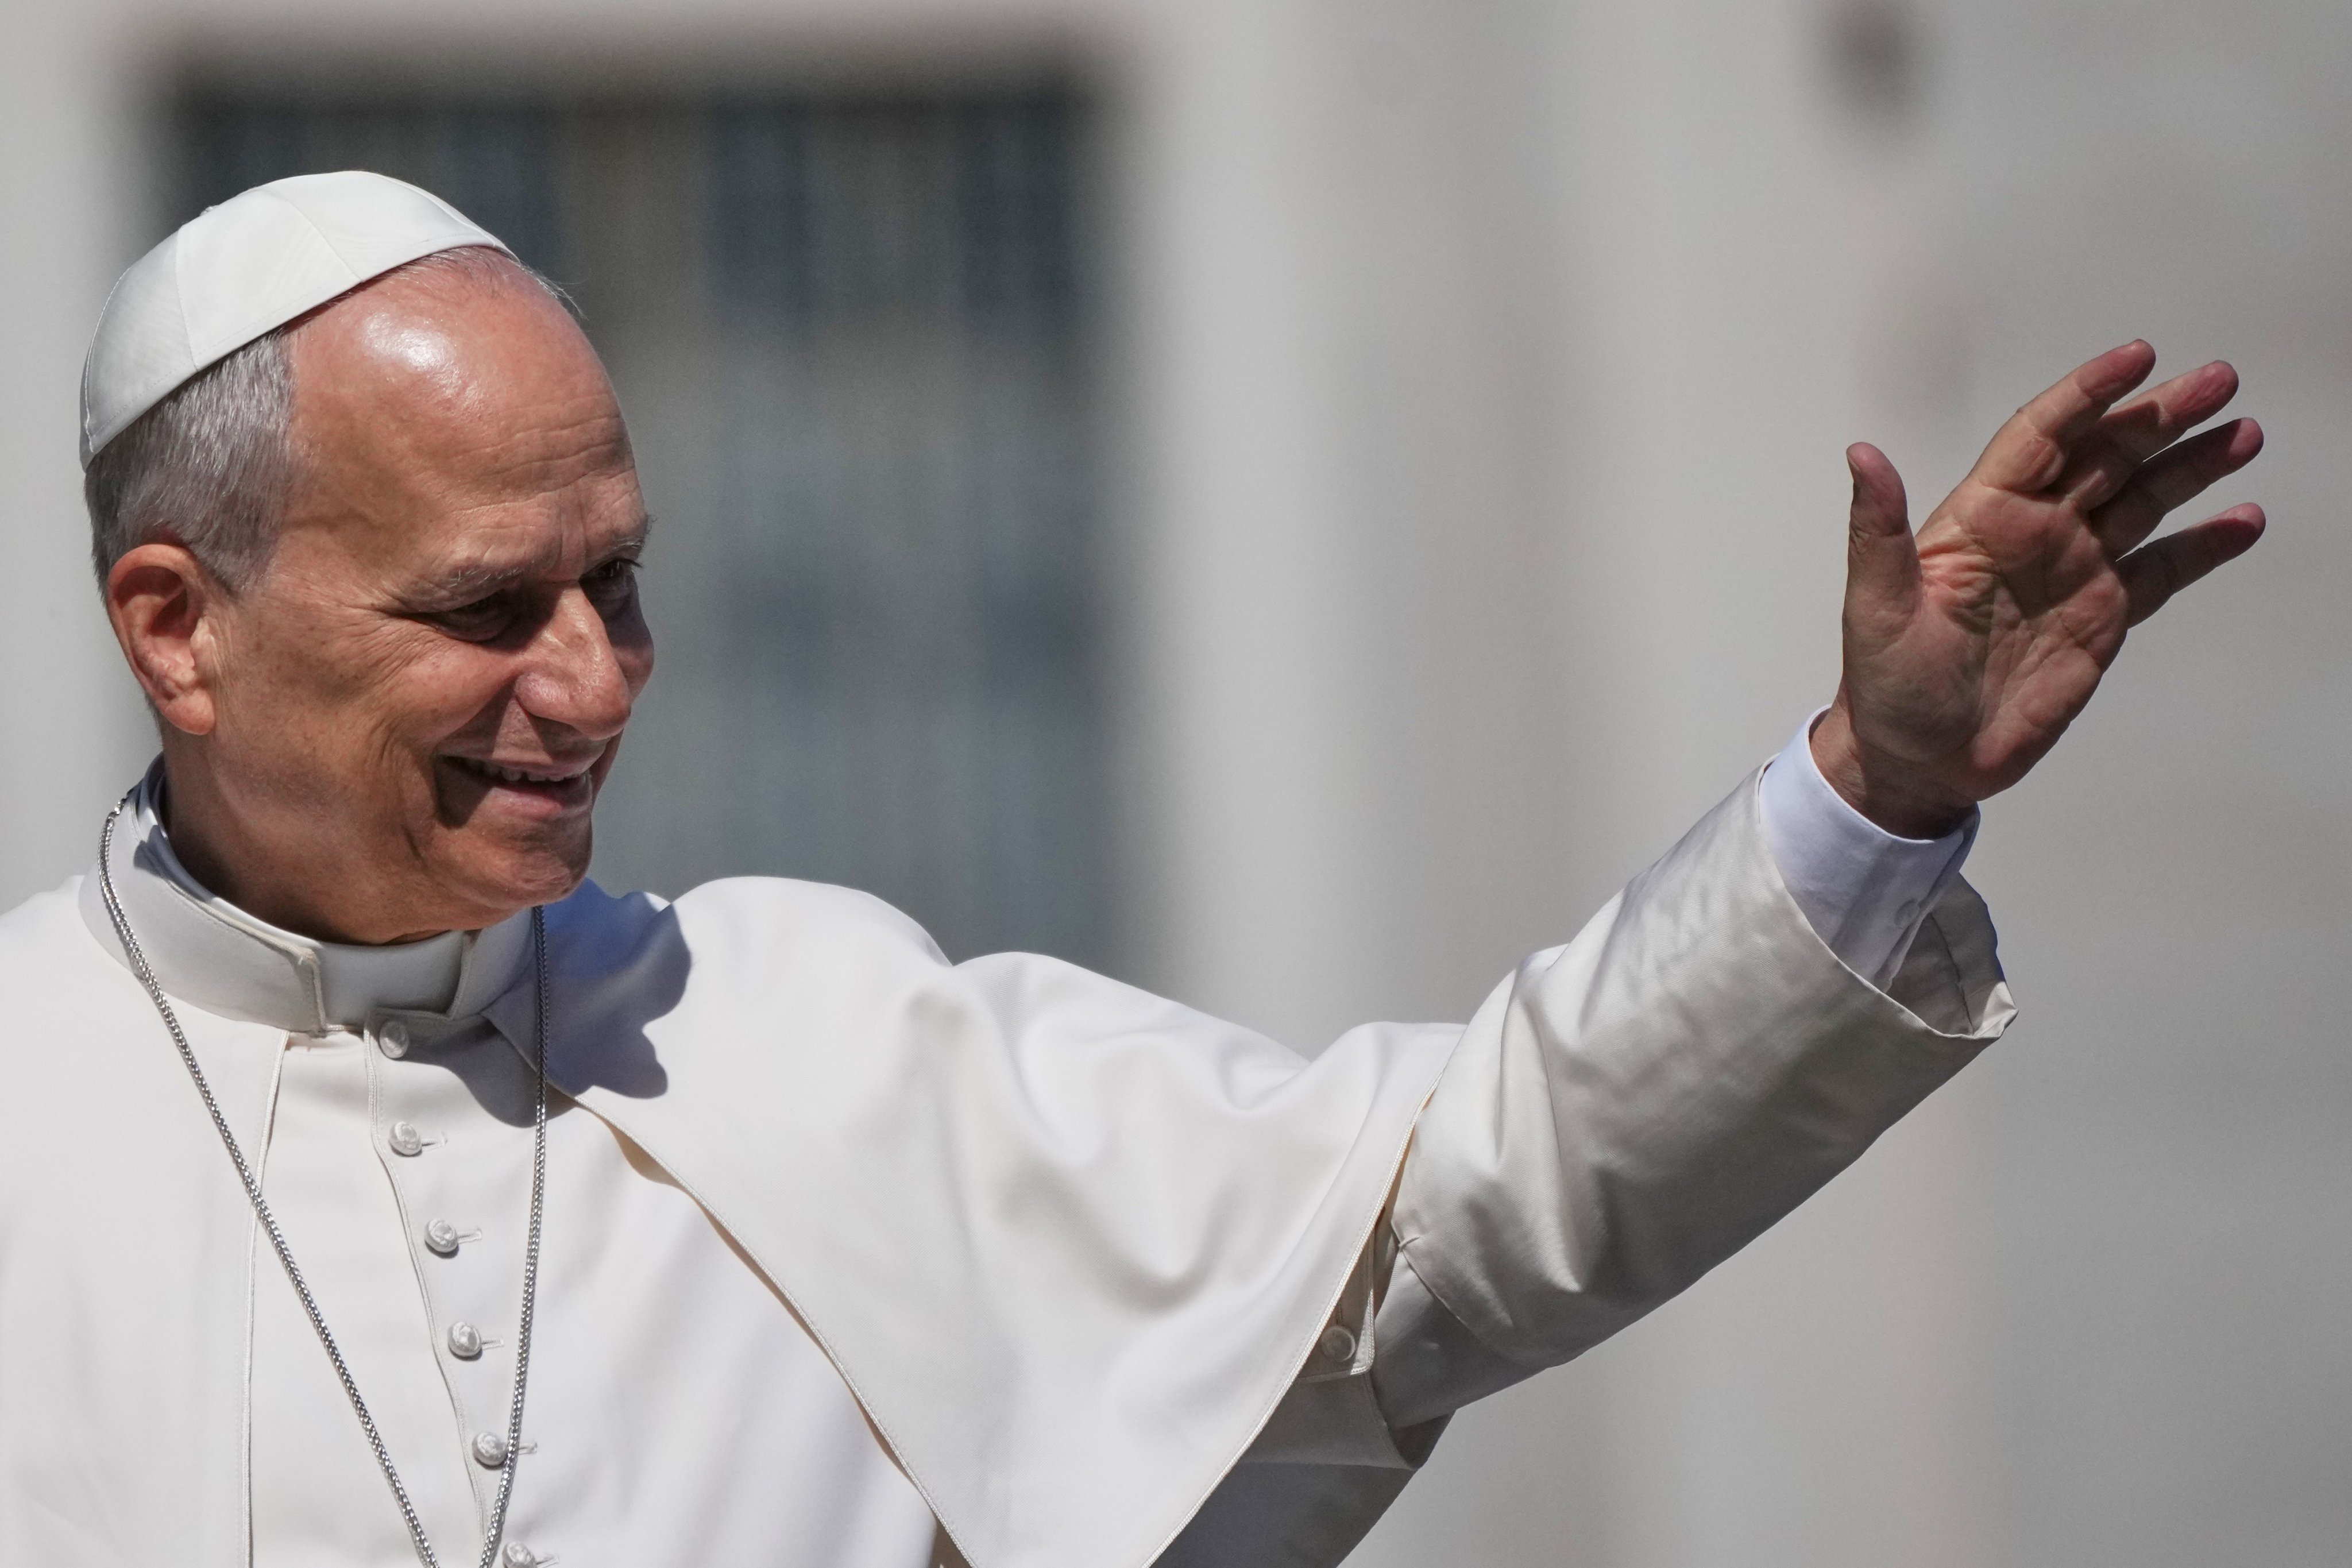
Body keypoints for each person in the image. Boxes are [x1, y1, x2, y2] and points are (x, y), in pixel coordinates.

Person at [0, 172, 2265, 1568]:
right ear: (182, 629)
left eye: (624, 581)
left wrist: (1871, 785)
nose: (595, 682)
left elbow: (1457, 1201)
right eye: (496, 608)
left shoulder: (800, 1033)